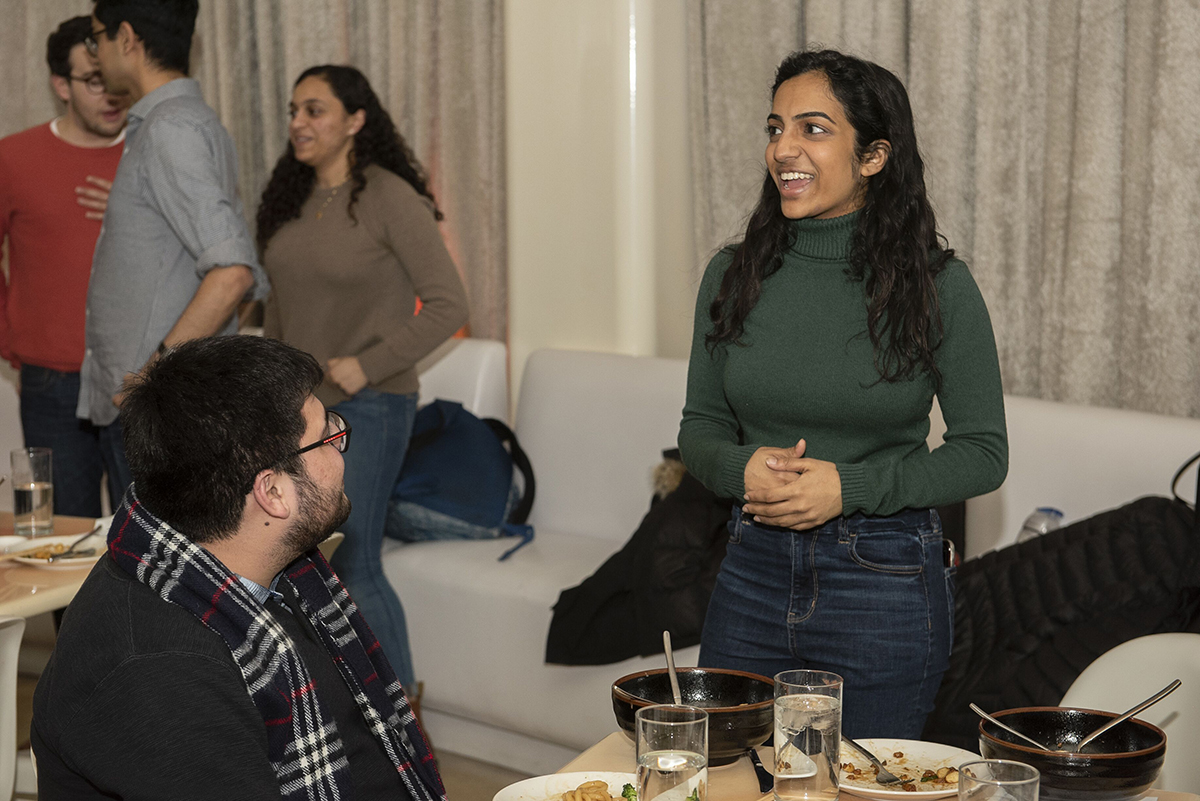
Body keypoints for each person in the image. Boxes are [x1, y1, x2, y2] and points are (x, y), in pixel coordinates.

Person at [678, 49, 1008, 739]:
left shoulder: (938, 285)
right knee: (722, 775)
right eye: (775, 128)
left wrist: (847, 486)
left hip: (884, 579)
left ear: (874, 156)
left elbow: (983, 454)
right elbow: (700, 427)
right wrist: (739, 467)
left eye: (813, 128)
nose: (783, 148)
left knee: (862, 784)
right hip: (751, 566)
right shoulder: (730, 275)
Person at [32, 336, 446, 801]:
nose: (341, 451)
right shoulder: (161, 674)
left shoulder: (268, 573)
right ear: (271, 493)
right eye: (329, 436)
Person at [256, 65, 469, 691]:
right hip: (295, 411)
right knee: (297, 563)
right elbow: (279, 308)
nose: (298, 123)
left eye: (315, 110)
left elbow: (450, 304)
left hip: (370, 406)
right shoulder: (289, 195)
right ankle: (335, 719)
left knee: (355, 561)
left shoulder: (388, 196)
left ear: (355, 121)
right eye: (294, 110)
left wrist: (365, 363)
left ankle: (404, 739)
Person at [78, 0, 268, 501]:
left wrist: (152, 376)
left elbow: (234, 273)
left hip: (156, 415)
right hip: (169, 410)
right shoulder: (185, 123)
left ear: (127, 38)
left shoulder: (170, 128)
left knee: (154, 576)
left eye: (96, 36)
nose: (94, 52)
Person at [0, 16, 127, 516]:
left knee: (151, 546)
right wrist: (11, 335)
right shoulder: (13, 158)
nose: (110, 95)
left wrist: (135, 206)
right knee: (58, 541)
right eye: (94, 82)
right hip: (49, 383)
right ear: (61, 85)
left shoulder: (151, 155)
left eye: (115, 79)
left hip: (141, 378)